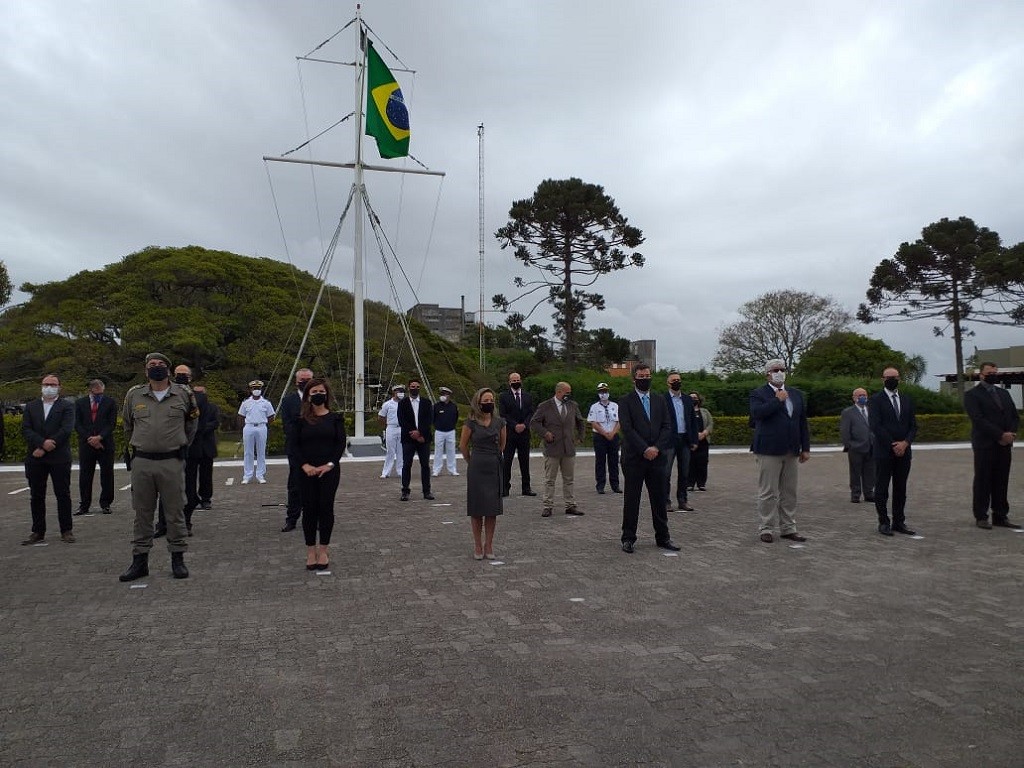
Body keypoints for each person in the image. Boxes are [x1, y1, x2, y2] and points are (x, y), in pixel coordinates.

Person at [118, 353, 198, 581]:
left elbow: (192, 424)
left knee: (175, 512)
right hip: (142, 461)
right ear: (146, 371)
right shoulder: (134, 395)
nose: (156, 367)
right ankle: (139, 561)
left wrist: (178, 445)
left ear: (169, 370)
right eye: (152, 365)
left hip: (171, 461)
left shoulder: (183, 394)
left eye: (161, 364)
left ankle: (178, 559)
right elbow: (128, 425)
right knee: (142, 513)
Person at [618, 363, 680, 553]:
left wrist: (656, 448)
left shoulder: (659, 400)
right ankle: (628, 538)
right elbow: (627, 428)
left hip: (657, 458)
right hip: (634, 458)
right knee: (632, 499)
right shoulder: (625, 401)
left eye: (647, 376)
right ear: (634, 379)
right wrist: (644, 448)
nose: (645, 379)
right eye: (641, 377)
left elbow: (667, 426)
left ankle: (663, 537)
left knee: (659, 499)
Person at [749, 359, 809, 544]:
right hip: (769, 449)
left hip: (792, 449)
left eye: (783, 369)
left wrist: (805, 447)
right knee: (768, 491)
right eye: (776, 370)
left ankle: (788, 528)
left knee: (789, 491)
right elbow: (757, 414)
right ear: (768, 373)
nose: (780, 373)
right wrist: (777, 400)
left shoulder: (796, 394)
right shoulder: (758, 393)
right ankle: (766, 527)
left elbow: (802, 422)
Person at [293, 377, 347, 570]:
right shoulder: (300, 420)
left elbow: (340, 444)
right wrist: (304, 465)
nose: (318, 395)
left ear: (327, 395)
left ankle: (323, 549)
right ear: (308, 396)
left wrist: (330, 464)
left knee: (326, 508)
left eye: (321, 392)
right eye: (314, 392)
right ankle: (310, 551)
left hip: (329, 471)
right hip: (306, 471)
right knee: (309, 510)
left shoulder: (335, 419)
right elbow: (294, 446)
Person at [963, 362, 1020, 530]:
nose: (993, 375)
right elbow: (978, 419)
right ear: (981, 375)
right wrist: (1000, 435)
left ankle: (1000, 515)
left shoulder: (1004, 393)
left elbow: (1014, 416)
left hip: (1004, 446)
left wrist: (1010, 434)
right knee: (983, 480)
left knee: (1001, 480)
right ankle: (981, 516)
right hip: (985, 445)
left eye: (995, 372)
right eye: (989, 373)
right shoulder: (972, 395)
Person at [21, 374, 76, 545]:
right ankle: (38, 531)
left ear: (59, 387)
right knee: (36, 495)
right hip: (35, 457)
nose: (49, 387)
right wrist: (41, 443)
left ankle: (66, 530)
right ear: (41, 386)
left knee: (63, 494)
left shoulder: (67, 406)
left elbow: (66, 429)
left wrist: (47, 445)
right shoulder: (31, 406)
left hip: (59, 456)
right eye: (46, 384)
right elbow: (26, 429)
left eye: (53, 384)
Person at [869, 366, 918, 537]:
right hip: (884, 452)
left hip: (904, 452)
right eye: (888, 377)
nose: (892, 380)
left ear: (899, 379)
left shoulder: (906, 400)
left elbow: (913, 426)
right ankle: (884, 522)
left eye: (895, 377)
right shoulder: (875, 400)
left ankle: (899, 521)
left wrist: (905, 443)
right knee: (882, 488)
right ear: (883, 379)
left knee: (900, 488)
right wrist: (893, 444)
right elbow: (876, 426)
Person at [460, 387, 506, 559]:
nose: (489, 403)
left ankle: (489, 545)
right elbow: (463, 446)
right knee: (477, 508)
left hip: (493, 466)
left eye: (491, 400)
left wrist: (494, 457)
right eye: (485, 401)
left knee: (492, 509)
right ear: (478, 403)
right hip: (476, 466)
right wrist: (471, 461)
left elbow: (502, 445)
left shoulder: (500, 422)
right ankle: (478, 545)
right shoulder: (470, 423)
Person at [530, 381, 585, 517]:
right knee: (550, 479)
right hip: (552, 448)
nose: (569, 395)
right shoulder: (545, 406)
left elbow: (580, 421)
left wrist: (580, 437)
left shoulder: (573, 405)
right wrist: (545, 433)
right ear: (558, 392)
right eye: (567, 392)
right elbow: (534, 422)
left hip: (568, 448)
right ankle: (547, 505)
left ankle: (570, 505)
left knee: (569, 479)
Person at [74, 378, 117, 516]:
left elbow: (111, 423)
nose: (99, 395)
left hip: (105, 444)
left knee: (107, 474)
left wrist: (100, 437)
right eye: (96, 393)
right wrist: (90, 438)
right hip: (86, 444)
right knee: (85, 475)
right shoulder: (80, 403)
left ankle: (106, 503)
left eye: (101, 393)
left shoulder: (110, 402)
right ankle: (84, 505)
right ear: (90, 390)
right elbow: (77, 424)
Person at [280, 368, 313, 531]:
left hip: (315, 449)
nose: (305, 383)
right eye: (302, 380)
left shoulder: (319, 398)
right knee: (295, 485)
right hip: (296, 448)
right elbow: (287, 425)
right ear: (296, 382)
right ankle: (292, 518)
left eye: (308, 380)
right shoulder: (288, 401)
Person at [498, 372, 536, 497]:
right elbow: (503, 414)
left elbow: (531, 413)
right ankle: (505, 488)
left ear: (521, 380)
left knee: (525, 461)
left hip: (524, 433)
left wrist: (524, 424)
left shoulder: (528, 396)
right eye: (513, 380)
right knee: (507, 461)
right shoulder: (503, 397)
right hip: (509, 433)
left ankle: (526, 487)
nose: (516, 382)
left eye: (518, 380)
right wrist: (515, 425)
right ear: (509, 382)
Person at [664, 371, 698, 512]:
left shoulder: (687, 399)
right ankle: (665, 501)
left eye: (678, 379)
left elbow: (693, 421)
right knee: (666, 472)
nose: (677, 382)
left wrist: (694, 440)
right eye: (674, 380)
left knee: (684, 472)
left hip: (685, 439)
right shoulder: (663, 399)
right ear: (668, 383)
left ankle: (683, 500)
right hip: (669, 440)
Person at [397, 377, 434, 501]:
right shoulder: (403, 403)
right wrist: (413, 432)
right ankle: (405, 491)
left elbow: (429, 420)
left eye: (417, 387)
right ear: (409, 388)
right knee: (407, 464)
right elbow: (402, 420)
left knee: (425, 465)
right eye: (413, 387)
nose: (415, 389)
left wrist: (420, 433)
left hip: (423, 438)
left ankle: (427, 491)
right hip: (408, 438)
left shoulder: (426, 403)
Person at [839, 388, 875, 504]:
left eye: (864, 395)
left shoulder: (872, 410)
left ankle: (869, 493)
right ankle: (855, 494)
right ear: (854, 398)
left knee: (870, 472)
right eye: (859, 395)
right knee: (855, 472)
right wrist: (849, 445)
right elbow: (845, 430)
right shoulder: (848, 412)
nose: (862, 397)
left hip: (871, 446)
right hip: (855, 447)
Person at [237, 379, 275, 484]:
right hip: (249, 426)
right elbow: (241, 416)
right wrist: (243, 428)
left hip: (261, 427)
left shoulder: (266, 403)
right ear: (251, 389)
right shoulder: (246, 403)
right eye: (254, 388)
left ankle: (260, 475)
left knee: (261, 452)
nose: (256, 390)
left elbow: (271, 417)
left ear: (261, 389)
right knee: (248, 452)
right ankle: (247, 475)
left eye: (258, 388)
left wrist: (264, 424)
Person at [188, 384, 219, 512]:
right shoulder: (189, 408)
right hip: (192, 446)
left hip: (207, 445)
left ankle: (206, 498)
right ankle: (191, 498)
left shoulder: (212, 407)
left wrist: (199, 429)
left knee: (206, 475)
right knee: (190, 475)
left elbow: (215, 423)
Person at [586, 382, 620, 494]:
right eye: (601, 392)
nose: (603, 394)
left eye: (605, 391)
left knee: (614, 461)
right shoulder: (594, 407)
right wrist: (605, 433)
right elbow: (594, 422)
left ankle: (615, 485)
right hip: (600, 436)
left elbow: (619, 421)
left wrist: (613, 433)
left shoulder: (615, 406)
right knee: (600, 461)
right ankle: (600, 485)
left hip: (613, 436)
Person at [687, 391, 713, 491]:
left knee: (702, 462)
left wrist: (705, 432)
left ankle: (701, 483)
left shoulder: (705, 411)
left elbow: (710, 423)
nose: (693, 399)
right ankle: (690, 484)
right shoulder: (686, 411)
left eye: (695, 397)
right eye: (691, 398)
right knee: (690, 462)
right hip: (690, 441)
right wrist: (694, 435)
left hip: (703, 441)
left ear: (699, 399)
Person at [432, 386, 459, 477]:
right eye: (442, 394)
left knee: (451, 451)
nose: (443, 395)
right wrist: (437, 425)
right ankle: (436, 470)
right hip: (439, 431)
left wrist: (452, 425)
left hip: (450, 431)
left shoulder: (453, 406)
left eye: (445, 394)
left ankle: (452, 470)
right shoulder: (436, 406)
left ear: (449, 395)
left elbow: (456, 417)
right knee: (438, 451)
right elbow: (433, 418)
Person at [377, 384, 404, 479]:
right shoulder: (388, 404)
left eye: (402, 391)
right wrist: (386, 425)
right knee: (390, 451)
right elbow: (381, 416)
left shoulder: (406, 404)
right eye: (399, 391)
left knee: (401, 451)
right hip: (391, 428)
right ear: (394, 392)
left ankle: (401, 471)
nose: (400, 393)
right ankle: (386, 472)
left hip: (402, 428)